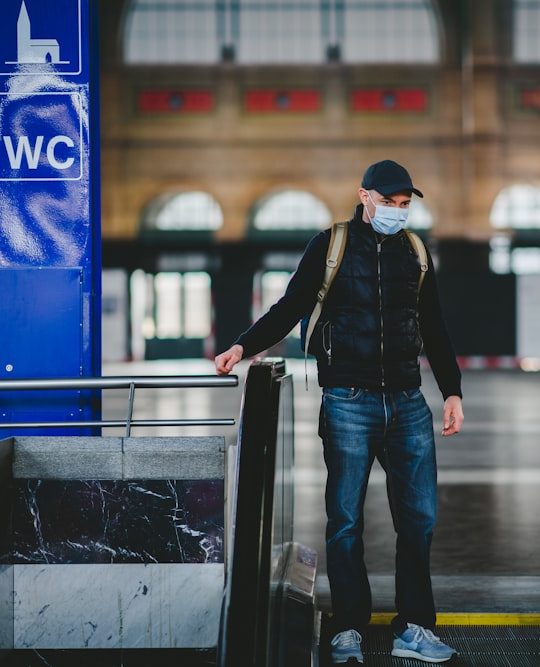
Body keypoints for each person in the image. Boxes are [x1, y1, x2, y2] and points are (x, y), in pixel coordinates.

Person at [215, 159, 464, 664]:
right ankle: (348, 626)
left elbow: (433, 325)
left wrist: (452, 391)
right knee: (346, 520)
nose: (398, 212)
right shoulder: (331, 245)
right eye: (389, 202)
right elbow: (290, 306)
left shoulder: (415, 252)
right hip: (348, 401)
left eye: (404, 204)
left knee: (418, 520)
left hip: (408, 401)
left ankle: (414, 627)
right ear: (364, 196)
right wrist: (245, 346)